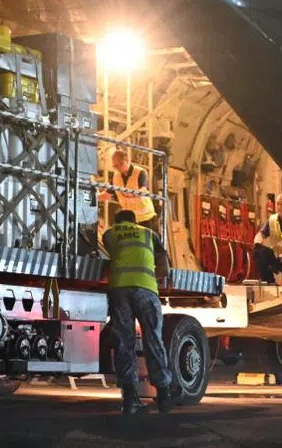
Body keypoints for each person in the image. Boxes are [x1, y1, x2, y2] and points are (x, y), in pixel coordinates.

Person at [102, 209, 180, 415]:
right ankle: (163, 396)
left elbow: (106, 252)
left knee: (124, 342)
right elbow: (163, 266)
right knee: (153, 339)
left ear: (117, 222)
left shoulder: (110, 233)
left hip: (119, 290)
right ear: (134, 221)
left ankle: (129, 400)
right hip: (146, 289)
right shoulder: (148, 233)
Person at [99, 148, 159, 234]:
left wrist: (132, 193)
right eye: (115, 166)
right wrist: (91, 199)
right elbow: (107, 194)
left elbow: (143, 190)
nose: (118, 168)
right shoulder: (116, 177)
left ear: (127, 160)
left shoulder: (140, 172)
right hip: (131, 221)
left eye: (120, 164)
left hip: (147, 219)